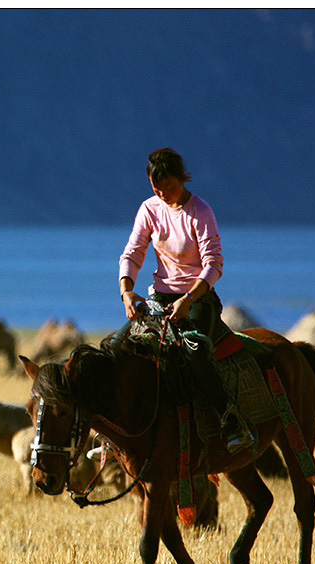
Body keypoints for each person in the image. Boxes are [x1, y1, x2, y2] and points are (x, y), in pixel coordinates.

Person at [118, 147, 253, 452]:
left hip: (199, 298)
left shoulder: (200, 211)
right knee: (121, 348)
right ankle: (118, 435)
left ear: (183, 179)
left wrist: (190, 299)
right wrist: (126, 291)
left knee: (193, 352)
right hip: (159, 297)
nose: (165, 194)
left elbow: (214, 263)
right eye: (157, 188)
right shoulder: (149, 209)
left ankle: (231, 420)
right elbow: (133, 253)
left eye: (171, 187)